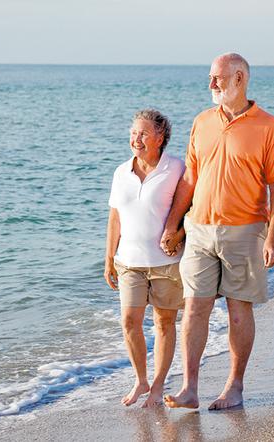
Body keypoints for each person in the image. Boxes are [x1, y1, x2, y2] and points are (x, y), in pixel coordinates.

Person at [160, 53, 274, 410]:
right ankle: (189, 389)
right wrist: (173, 225)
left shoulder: (267, 126)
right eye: (210, 78)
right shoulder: (202, 121)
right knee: (194, 308)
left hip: (246, 231)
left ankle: (234, 386)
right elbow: (190, 179)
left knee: (238, 310)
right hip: (200, 230)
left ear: (238, 78)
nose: (211, 85)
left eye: (217, 78)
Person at [104, 109, 186, 408]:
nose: (135, 139)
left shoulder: (176, 168)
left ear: (160, 138)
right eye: (133, 133)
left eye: (143, 134)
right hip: (129, 262)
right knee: (129, 321)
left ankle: (159, 384)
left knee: (164, 323)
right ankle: (141, 379)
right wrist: (109, 257)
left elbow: (190, 208)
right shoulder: (121, 171)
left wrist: (177, 234)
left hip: (166, 262)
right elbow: (115, 217)